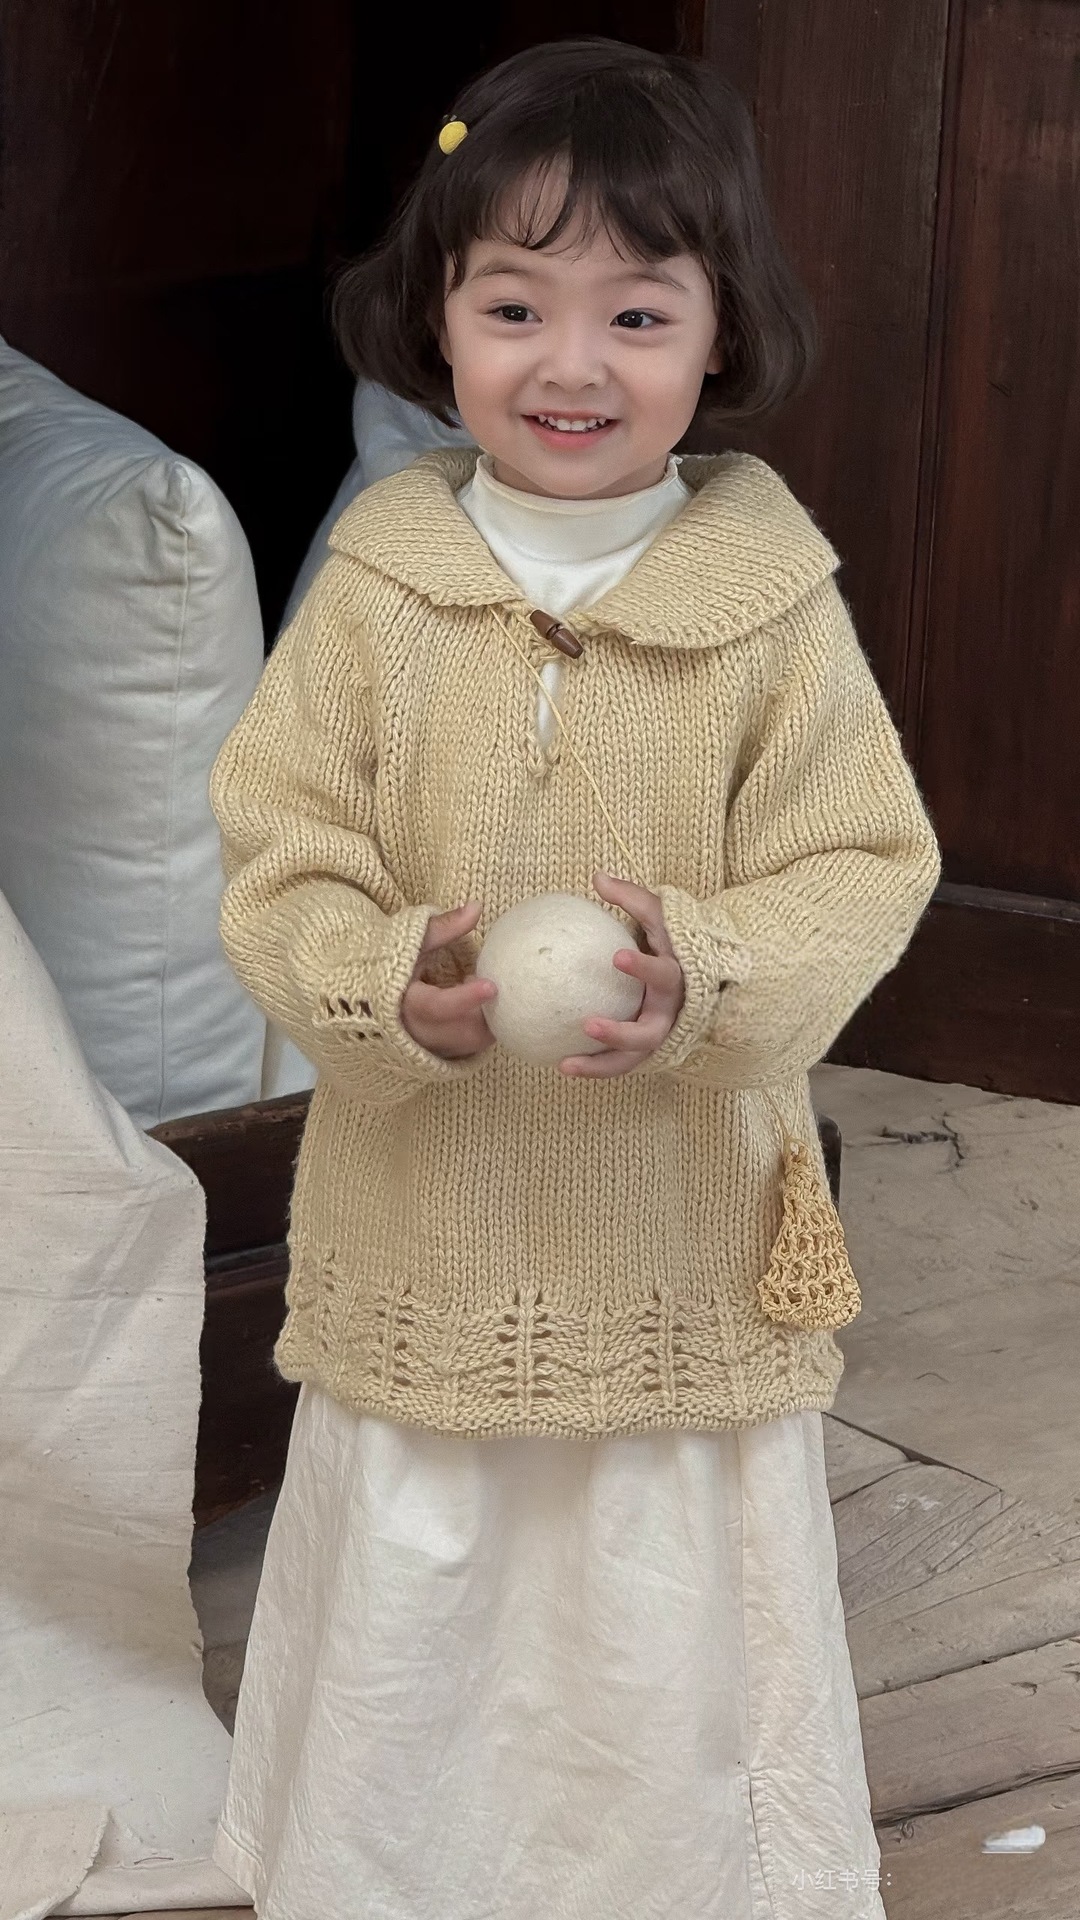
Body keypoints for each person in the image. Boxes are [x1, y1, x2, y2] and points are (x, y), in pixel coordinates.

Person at [207, 36, 940, 1920]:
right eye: (516, 305)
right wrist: (384, 985)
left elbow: (864, 858)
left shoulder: (769, 603)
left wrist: (717, 974)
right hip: (432, 1220)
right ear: (436, 320)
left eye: (637, 312)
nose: (574, 363)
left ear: (719, 334)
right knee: (430, 1567)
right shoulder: (381, 585)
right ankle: (392, 1877)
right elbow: (283, 847)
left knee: (648, 1602)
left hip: (670, 1232)